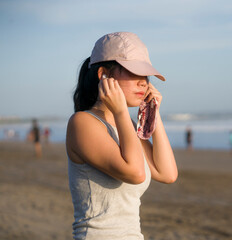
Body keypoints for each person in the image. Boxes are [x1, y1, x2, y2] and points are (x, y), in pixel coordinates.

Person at [66, 32, 178, 240]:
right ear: (104, 75)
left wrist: (153, 112)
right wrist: (119, 112)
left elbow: (167, 173)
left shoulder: (127, 127)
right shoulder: (82, 123)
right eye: (134, 73)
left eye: (145, 75)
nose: (143, 82)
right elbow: (136, 173)